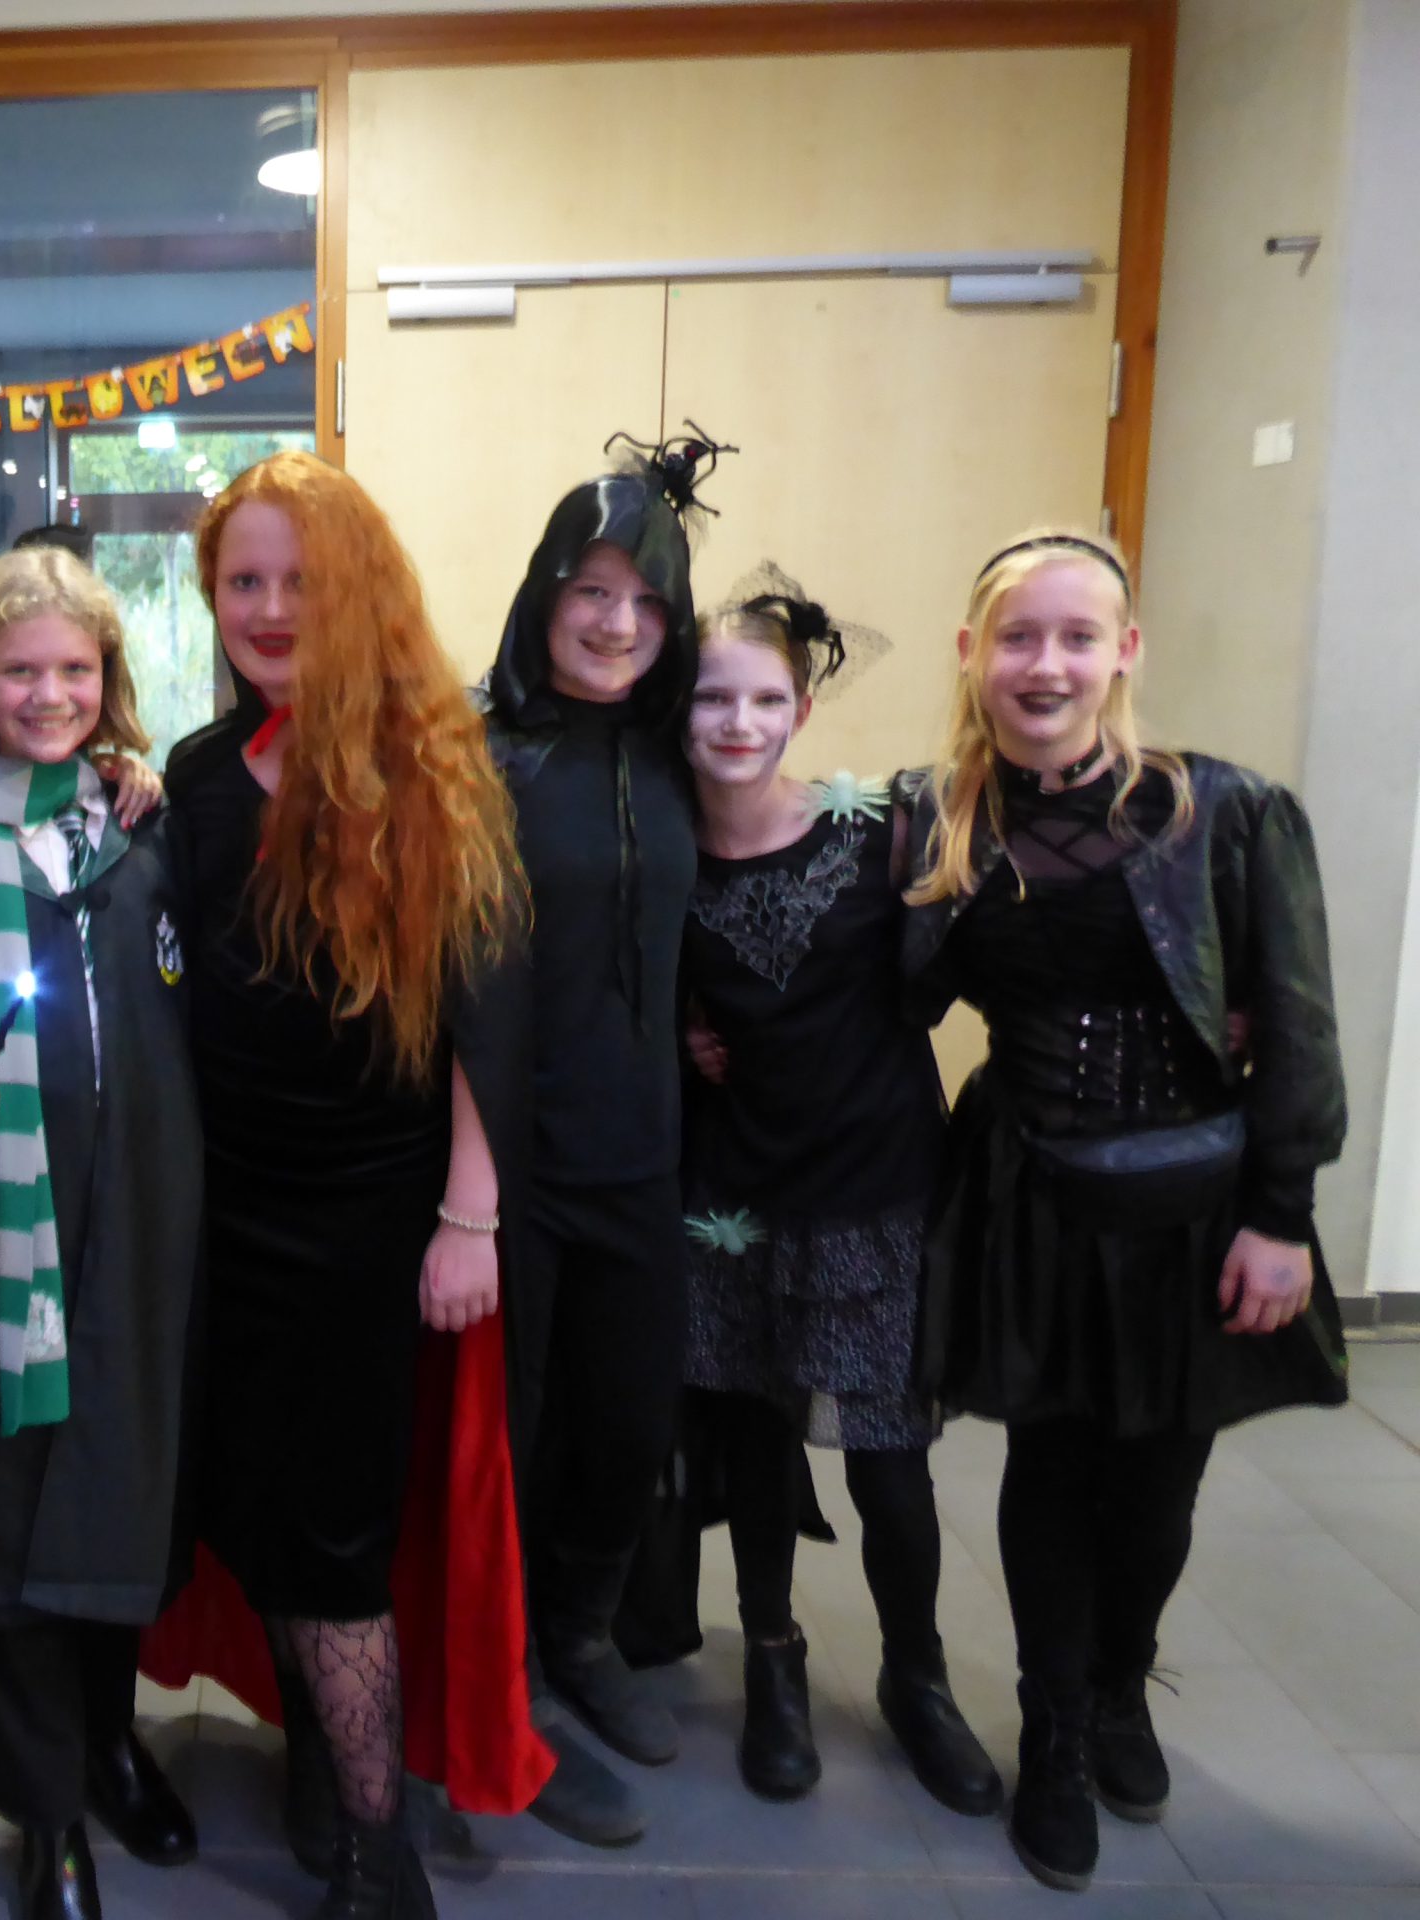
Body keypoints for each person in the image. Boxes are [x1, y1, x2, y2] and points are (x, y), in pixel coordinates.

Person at [903, 528, 1349, 1892]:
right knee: (1048, 1470)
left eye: (1077, 636)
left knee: (1156, 1488)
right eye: (1018, 637)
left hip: (1195, 1210)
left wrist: (1281, 1214)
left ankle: (1116, 1687)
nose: (1046, 664)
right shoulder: (939, 822)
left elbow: (1297, 1024)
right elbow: (873, 995)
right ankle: (1050, 1727)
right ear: (973, 654)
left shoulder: (1226, 812)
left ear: (1123, 653)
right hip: (1034, 1202)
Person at [167, 451, 526, 1920]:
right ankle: (319, 1752)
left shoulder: (429, 770)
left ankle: (384, 1861)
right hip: (221, 1213)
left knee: (333, 1537)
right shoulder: (199, 775)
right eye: (242, 582)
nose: (267, 609)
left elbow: (481, 1021)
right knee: (251, 1509)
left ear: (357, 593)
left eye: (299, 583)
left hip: (363, 1223)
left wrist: (469, 1214)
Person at [0, 547, 203, 1920]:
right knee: (15, 1520)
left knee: (120, 1489)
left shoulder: (144, 826)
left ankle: (111, 1744)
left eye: (74, 668)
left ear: (107, 678)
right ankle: (47, 1810)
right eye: (20, 670)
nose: (49, 694)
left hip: (146, 1221)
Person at [674, 570, 999, 1813]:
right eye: (712, 698)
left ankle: (917, 1676)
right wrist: (680, 1039)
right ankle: (773, 1656)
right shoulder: (662, 854)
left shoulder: (878, 835)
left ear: (801, 710)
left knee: (886, 1462)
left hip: (873, 1192)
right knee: (756, 1441)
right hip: (735, 1195)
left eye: (765, 699)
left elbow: (986, 954)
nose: (739, 723)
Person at [453, 430, 723, 1840]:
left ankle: (581, 1634)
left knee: (624, 1424)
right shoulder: (479, 756)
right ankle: (498, 1680)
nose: (618, 624)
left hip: (645, 1158)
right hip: (513, 1167)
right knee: (513, 1439)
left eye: (645, 601)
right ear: (545, 593)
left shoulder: (679, 754)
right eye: (592, 592)